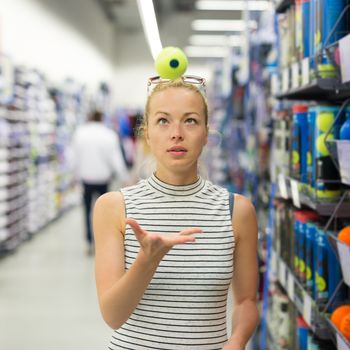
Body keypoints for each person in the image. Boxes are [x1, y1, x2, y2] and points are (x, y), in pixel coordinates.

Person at [93, 76, 259, 349]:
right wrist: (146, 261)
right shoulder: (114, 207)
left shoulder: (236, 211)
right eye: (163, 121)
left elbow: (246, 302)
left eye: (190, 120)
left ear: (206, 132)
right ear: (147, 133)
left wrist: (238, 340)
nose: (177, 133)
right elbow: (112, 316)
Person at [71, 110, 128, 254]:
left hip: (86, 178)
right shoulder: (109, 135)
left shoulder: (80, 134)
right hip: (103, 179)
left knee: (87, 210)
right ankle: (104, 241)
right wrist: (124, 177)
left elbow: (74, 157)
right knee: (105, 212)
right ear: (102, 118)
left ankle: (89, 242)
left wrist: (74, 176)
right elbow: (116, 159)